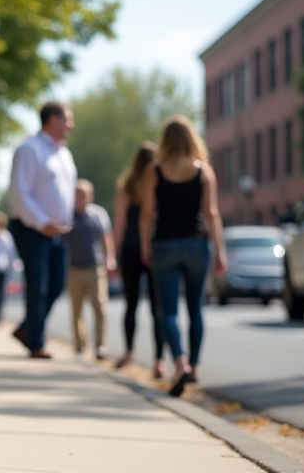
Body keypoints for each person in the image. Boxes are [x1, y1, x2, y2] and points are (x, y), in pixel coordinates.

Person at [140, 116, 227, 397]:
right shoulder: (204, 172)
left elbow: (146, 214)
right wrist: (220, 251)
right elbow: (211, 214)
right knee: (195, 308)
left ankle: (179, 363)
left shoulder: (154, 171)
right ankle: (195, 366)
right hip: (196, 245)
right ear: (192, 139)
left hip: (164, 244)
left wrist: (144, 245)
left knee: (167, 311)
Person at [7, 101, 77, 359]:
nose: (71, 125)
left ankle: (28, 329)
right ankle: (36, 342)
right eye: (67, 119)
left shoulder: (64, 154)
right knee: (38, 285)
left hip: (58, 231)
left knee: (57, 284)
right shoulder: (29, 149)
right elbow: (18, 192)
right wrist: (41, 222)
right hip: (31, 229)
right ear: (52, 120)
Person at [112, 142, 166, 379]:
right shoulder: (160, 181)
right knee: (158, 308)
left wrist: (114, 254)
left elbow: (120, 223)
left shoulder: (127, 187)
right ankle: (159, 360)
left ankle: (129, 352)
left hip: (132, 249)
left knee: (131, 303)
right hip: (155, 249)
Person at [63, 179, 115, 360]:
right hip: (73, 268)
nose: (81, 197)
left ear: (90, 196)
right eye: (77, 193)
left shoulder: (98, 214)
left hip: (96, 267)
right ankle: (80, 344)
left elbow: (107, 237)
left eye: (84, 194)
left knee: (100, 307)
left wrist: (111, 259)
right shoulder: (66, 214)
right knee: (76, 309)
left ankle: (101, 345)